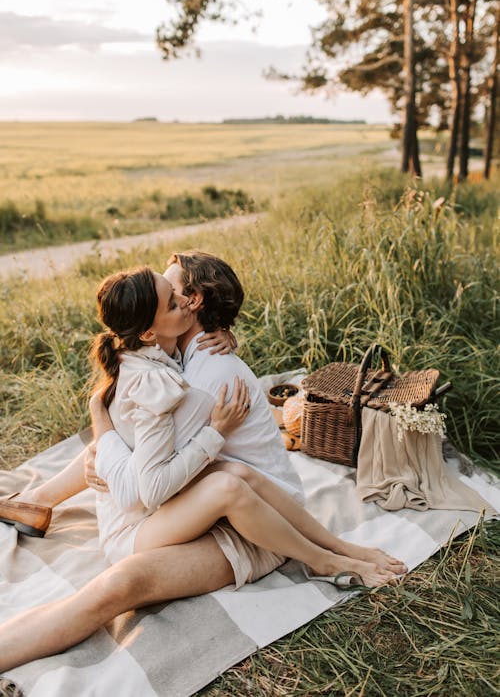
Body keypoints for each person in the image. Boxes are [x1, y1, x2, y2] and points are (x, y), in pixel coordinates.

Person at [0, 253, 407, 672]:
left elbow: (154, 481)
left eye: (177, 292)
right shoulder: (171, 361)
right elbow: (151, 461)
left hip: (255, 525)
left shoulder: (194, 377)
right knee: (207, 481)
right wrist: (102, 448)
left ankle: (328, 556)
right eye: (170, 295)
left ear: (193, 301)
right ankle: (36, 501)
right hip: (208, 504)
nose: (176, 296)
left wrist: (105, 450)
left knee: (130, 575)